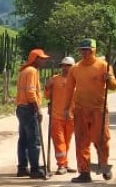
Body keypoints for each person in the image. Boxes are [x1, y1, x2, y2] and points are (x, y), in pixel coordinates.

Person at [67, 38, 116, 183]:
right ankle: (84, 172)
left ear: (94, 50)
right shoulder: (75, 68)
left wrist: (109, 79)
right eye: (82, 50)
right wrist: (66, 108)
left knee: (101, 140)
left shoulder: (103, 66)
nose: (84, 52)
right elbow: (69, 90)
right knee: (81, 142)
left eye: (87, 50)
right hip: (80, 110)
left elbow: (113, 86)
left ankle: (104, 167)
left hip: (98, 109)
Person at [15, 49, 48, 179]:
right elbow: (30, 92)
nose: (44, 61)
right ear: (35, 59)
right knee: (34, 139)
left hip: (21, 108)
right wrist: (38, 109)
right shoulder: (32, 71)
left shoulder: (24, 71)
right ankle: (35, 169)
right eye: (42, 58)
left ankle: (22, 168)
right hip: (29, 108)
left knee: (23, 139)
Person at [43, 56, 77, 174]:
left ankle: (65, 163)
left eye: (69, 66)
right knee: (59, 142)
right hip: (56, 116)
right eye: (64, 65)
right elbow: (47, 96)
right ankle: (61, 165)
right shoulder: (54, 79)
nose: (66, 68)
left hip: (72, 116)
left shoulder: (77, 81)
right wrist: (48, 85)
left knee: (66, 142)